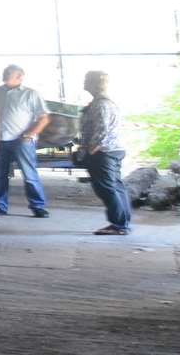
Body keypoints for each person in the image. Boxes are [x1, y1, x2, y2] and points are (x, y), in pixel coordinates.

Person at [0, 64, 51, 218]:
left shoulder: (31, 94)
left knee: (29, 175)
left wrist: (29, 134)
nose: (5, 74)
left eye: (9, 73)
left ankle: (38, 206)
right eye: (5, 72)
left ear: (20, 77)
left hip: (21, 141)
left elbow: (44, 118)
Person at [79, 70, 131, 236]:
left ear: (94, 83)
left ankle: (119, 224)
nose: (84, 82)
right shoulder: (101, 102)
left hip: (104, 151)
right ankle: (122, 222)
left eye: (87, 80)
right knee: (115, 186)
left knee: (107, 188)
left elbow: (102, 129)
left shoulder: (101, 104)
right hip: (111, 149)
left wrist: (90, 150)